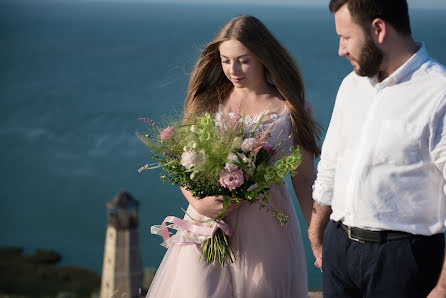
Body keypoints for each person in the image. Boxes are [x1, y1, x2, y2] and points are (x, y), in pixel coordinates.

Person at [146, 15, 320, 298]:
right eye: (225, 60)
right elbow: (185, 164)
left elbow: (304, 178)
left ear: (264, 56)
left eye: (243, 60)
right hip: (205, 224)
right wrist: (198, 201)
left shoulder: (292, 110)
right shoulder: (209, 101)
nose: (233, 69)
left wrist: (318, 237)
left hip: (265, 229)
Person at [308, 0, 446, 297]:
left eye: (346, 37)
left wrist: (443, 287)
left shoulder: (439, 93)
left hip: (402, 260)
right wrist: (316, 228)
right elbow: (332, 160)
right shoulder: (351, 85)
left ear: (378, 29)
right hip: (338, 246)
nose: (341, 50)